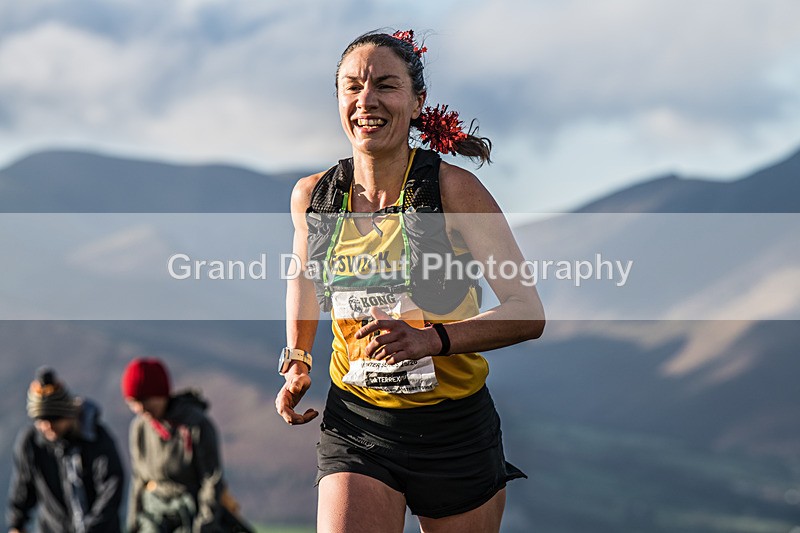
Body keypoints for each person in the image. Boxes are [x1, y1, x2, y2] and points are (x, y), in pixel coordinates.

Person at [275, 29, 546, 533]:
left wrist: (430, 340)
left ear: (418, 101)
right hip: (357, 422)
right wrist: (297, 359)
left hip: (453, 430)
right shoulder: (313, 196)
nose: (366, 100)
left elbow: (527, 312)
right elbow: (304, 279)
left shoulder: (455, 191)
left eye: (385, 85)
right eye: (353, 86)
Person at [7, 367, 124, 533]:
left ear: (68, 415)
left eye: (54, 420)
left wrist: (94, 527)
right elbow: (23, 486)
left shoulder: (96, 438)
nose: (48, 427)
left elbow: (111, 486)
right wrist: (17, 523)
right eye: (42, 421)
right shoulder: (31, 443)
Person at [121, 357, 227, 533]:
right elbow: (139, 479)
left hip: (189, 516)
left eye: (145, 400)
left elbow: (211, 480)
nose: (140, 408)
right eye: (134, 402)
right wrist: (134, 525)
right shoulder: (140, 428)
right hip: (153, 516)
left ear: (161, 394)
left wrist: (204, 525)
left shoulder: (196, 425)